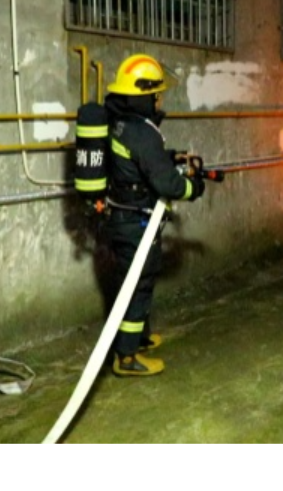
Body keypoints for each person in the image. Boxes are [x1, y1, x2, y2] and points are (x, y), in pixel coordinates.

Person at [102, 54, 206, 377]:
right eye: (156, 93)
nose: (160, 99)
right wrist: (195, 187)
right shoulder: (143, 132)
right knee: (139, 284)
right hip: (136, 223)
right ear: (144, 95)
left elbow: (138, 161)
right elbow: (168, 183)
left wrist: (170, 155)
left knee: (132, 283)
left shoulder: (120, 122)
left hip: (121, 217)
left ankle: (139, 338)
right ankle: (127, 358)